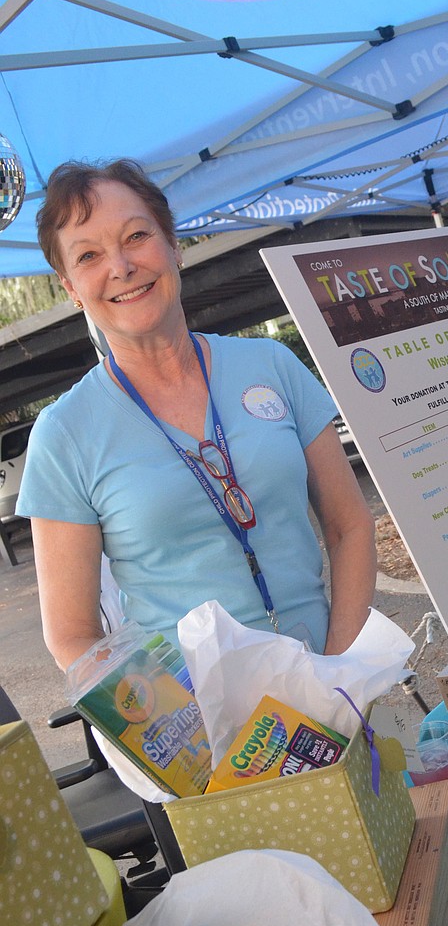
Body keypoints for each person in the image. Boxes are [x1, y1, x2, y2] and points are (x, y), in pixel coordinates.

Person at [17, 159, 377, 672]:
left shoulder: (270, 365)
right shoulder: (65, 434)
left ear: (173, 244)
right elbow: (74, 637)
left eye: (136, 236)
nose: (120, 266)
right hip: (203, 730)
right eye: (89, 255)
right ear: (71, 287)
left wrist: (342, 673)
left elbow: (349, 527)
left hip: (332, 679)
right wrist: (182, 740)